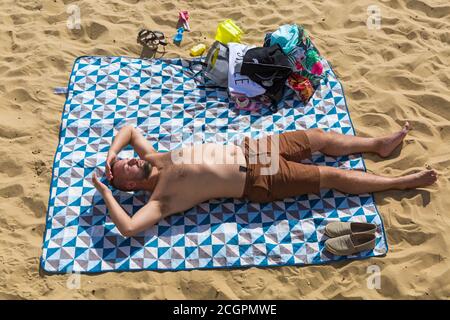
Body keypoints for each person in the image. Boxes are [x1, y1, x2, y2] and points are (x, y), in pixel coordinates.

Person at [92, 123, 437, 237]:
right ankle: (399, 181)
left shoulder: (153, 157)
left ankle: (378, 144)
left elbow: (129, 130)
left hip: (255, 148)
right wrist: (106, 192)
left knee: (318, 138)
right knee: (330, 176)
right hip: (260, 178)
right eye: (125, 165)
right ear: (131, 186)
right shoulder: (160, 199)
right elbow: (130, 228)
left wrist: (110, 155)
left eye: (125, 158)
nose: (130, 158)